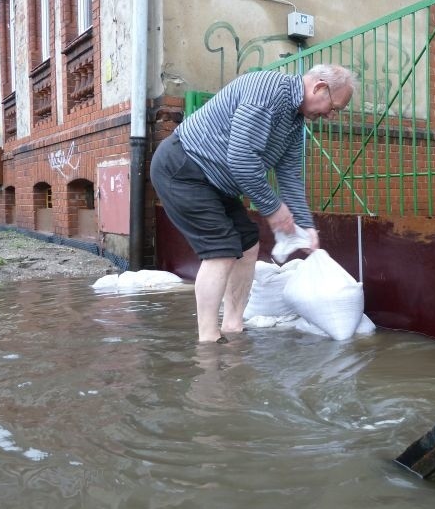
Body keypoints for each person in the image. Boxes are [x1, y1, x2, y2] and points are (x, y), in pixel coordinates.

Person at [150, 64, 358, 343]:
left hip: (217, 182)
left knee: (248, 244)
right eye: (335, 107)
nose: (331, 116)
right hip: (184, 167)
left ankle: (233, 326)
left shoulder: (295, 123)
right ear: (319, 87)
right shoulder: (269, 92)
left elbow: (290, 176)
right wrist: (273, 208)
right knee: (221, 250)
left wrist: (307, 227)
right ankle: (208, 341)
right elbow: (241, 159)